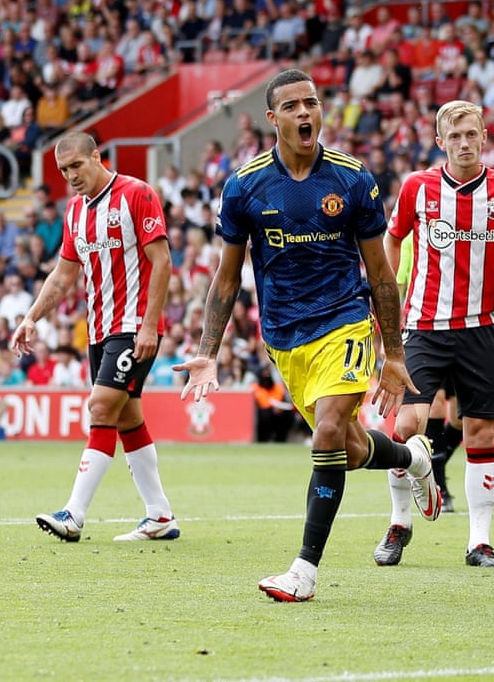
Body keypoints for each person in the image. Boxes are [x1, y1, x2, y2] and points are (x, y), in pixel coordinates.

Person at [172, 68, 438, 602]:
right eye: (291, 106)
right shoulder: (244, 186)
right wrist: (208, 352)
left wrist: (393, 352)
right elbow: (227, 277)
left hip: (344, 320)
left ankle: (305, 569)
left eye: (311, 103)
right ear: (272, 118)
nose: (304, 113)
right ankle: (414, 459)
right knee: (349, 446)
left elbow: (380, 274)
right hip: (285, 338)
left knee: (329, 430)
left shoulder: (353, 178)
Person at [378, 99, 494, 569]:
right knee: (406, 426)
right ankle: (399, 523)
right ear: (440, 142)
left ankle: (479, 542)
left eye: (471, 135)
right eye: (454, 136)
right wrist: (388, 295)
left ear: (483, 138)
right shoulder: (417, 188)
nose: (463, 143)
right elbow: (392, 238)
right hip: (423, 326)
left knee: (479, 430)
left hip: (480, 330)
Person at [13, 131, 180, 544]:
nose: (71, 176)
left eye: (76, 165)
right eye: (63, 170)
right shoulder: (74, 212)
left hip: (134, 327)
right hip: (100, 329)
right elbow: (63, 276)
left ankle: (74, 513)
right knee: (126, 416)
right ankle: (159, 515)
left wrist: (148, 324)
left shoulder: (137, 194)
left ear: (96, 157)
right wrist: (31, 316)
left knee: (101, 404)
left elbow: (162, 262)